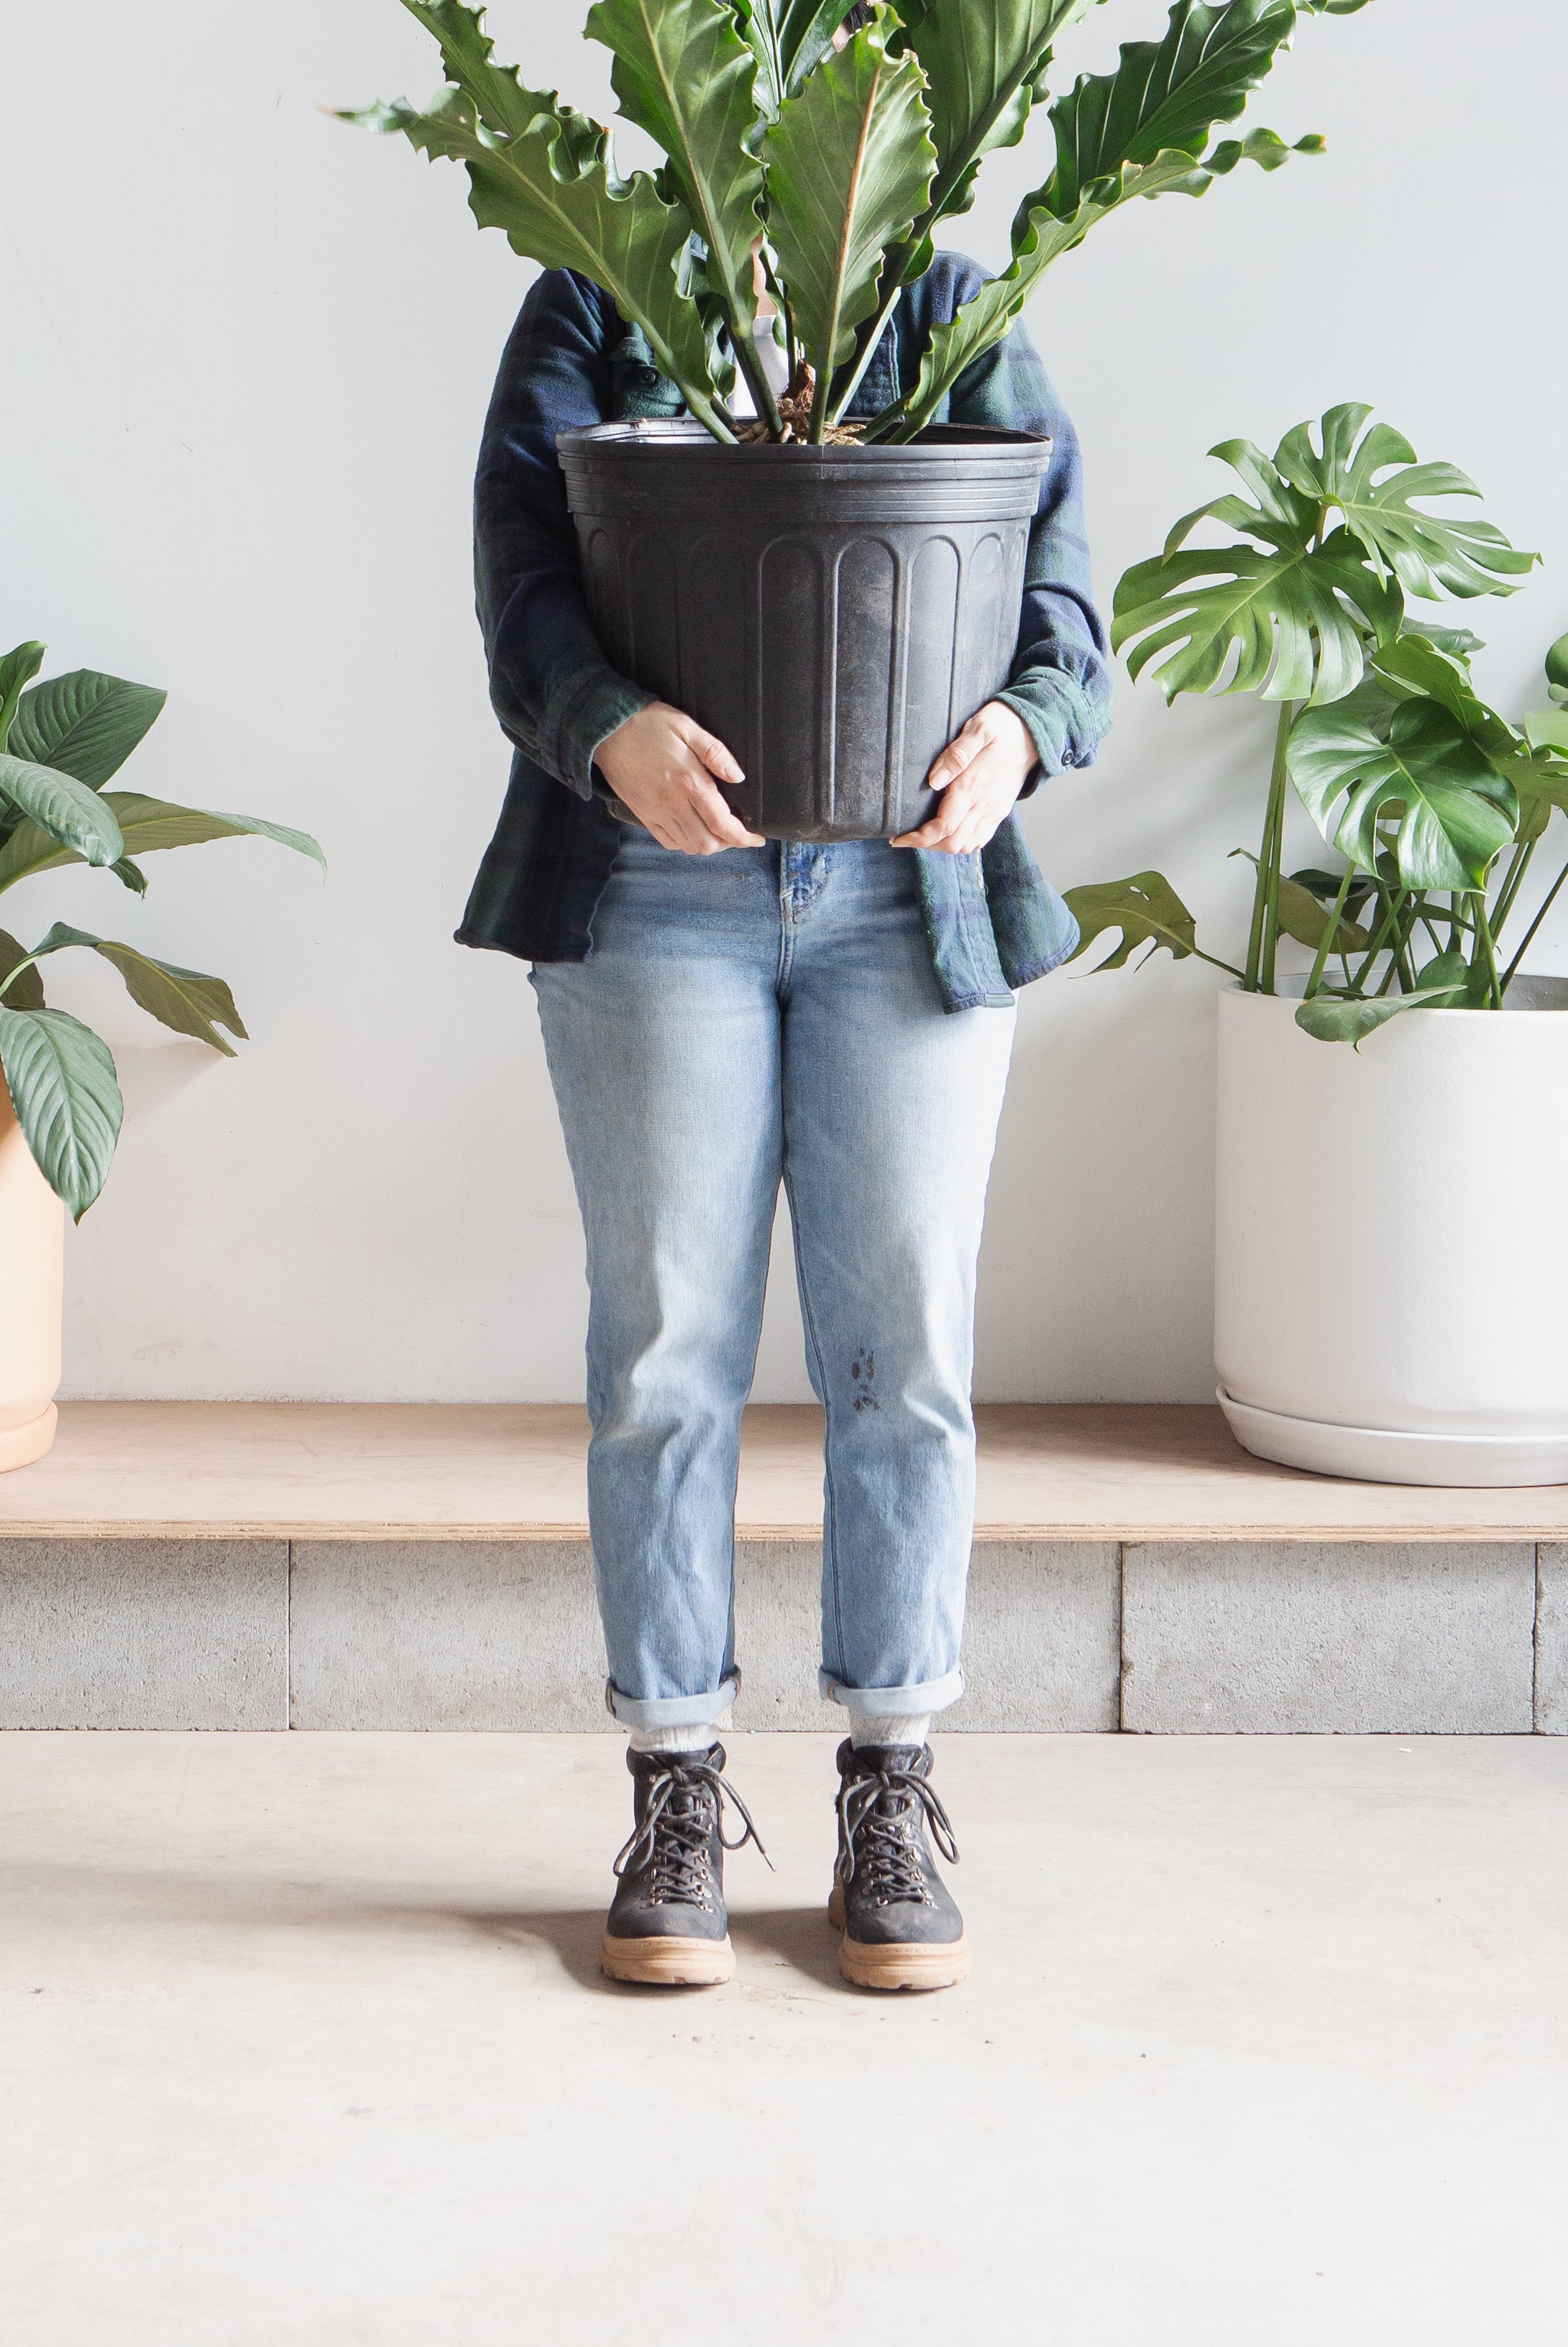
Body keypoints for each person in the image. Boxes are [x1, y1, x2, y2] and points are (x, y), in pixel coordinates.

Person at [462, 250, 1109, 1993]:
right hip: (653, 884)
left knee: (902, 1348)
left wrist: (1018, 738)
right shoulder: (598, 288)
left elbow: (1058, 574)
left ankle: (888, 1787)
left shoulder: (941, 296)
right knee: (665, 1344)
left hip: (909, 890)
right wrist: (601, 727)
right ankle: (674, 1792)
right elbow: (518, 562)